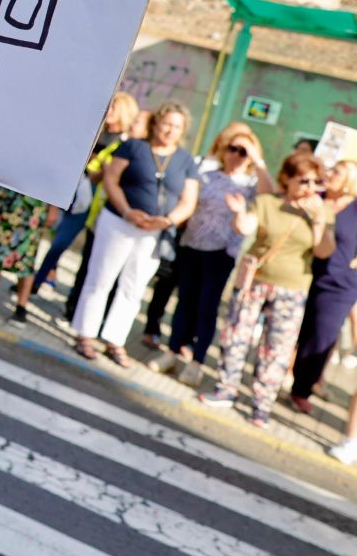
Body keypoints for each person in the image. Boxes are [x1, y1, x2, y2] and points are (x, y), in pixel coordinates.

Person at [199, 149, 336, 428]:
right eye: (304, 181)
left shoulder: (321, 211)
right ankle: (226, 388)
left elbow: (324, 251)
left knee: (277, 348)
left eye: (315, 182)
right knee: (237, 334)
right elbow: (246, 227)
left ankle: (261, 404)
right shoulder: (267, 202)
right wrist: (238, 214)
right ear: (286, 179)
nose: (310, 188)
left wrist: (318, 219)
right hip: (256, 280)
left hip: (292, 288)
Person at [70, 102, 199, 367]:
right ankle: (85, 334)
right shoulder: (134, 147)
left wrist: (166, 221)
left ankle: (114, 340)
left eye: (176, 126)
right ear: (156, 123)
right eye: (166, 124)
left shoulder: (186, 161)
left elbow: (189, 201)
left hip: (154, 231)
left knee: (134, 286)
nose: (170, 131)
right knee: (101, 279)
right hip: (119, 221)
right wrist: (128, 211)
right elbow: (111, 180)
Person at [157, 126, 269, 384]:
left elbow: (270, 194)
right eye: (233, 148)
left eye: (244, 152)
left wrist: (256, 159)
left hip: (221, 253)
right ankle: (172, 352)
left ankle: (196, 363)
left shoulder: (251, 185)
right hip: (191, 245)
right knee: (184, 301)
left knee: (207, 307)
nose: (237, 155)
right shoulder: (206, 175)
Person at [34, 92, 138, 304]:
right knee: (55, 237)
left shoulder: (125, 143)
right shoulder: (95, 131)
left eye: (114, 108)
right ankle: (44, 278)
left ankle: (39, 283)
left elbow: (106, 174)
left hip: (91, 201)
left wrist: (99, 167)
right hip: (72, 190)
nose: (108, 112)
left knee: (64, 244)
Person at [289, 160, 357, 415]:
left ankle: (302, 389)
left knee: (321, 338)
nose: (329, 174)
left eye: (337, 172)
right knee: (293, 330)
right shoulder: (315, 198)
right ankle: (278, 377)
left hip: (339, 284)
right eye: (330, 170)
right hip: (303, 272)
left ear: (350, 179)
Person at [0, 184, 57, 327]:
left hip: (32, 200)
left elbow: (59, 172)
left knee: (25, 255)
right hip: (3, 191)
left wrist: (54, 207)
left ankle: (21, 306)